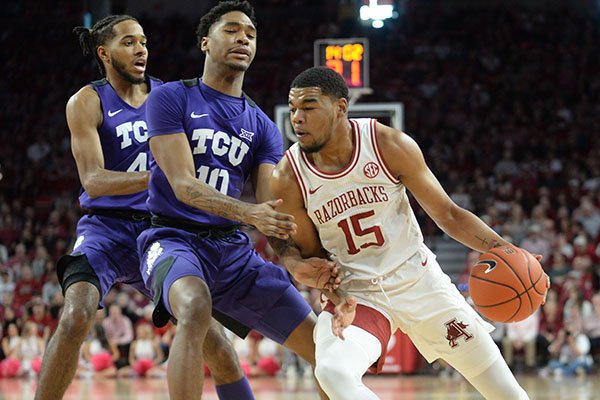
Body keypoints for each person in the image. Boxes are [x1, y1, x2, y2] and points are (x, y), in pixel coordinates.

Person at [270, 66, 551, 400]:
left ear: (340, 108)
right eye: (294, 108)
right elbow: (308, 253)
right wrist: (302, 269)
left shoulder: (388, 144)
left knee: (508, 393)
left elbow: (448, 214)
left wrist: (508, 251)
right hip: (360, 295)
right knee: (332, 372)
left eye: (309, 106)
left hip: (419, 282)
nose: (297, 118)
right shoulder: (288, 176)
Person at [35, 14, 255, 400]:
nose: (141, 50)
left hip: (161, 230)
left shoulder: (168, 95)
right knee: (76, 316)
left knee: (217, 345)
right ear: (104, 53)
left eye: (144, 42)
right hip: (105, 229)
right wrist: (162, 175)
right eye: (129, 42)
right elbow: (94, 181)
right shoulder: (87, 101)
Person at [137, 2, 337, 399]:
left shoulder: (263, 127)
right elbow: (183, 185)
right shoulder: (170, 98)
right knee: (194, 308)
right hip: (172, 239)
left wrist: (294, 260)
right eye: (231, 30)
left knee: (326, 351)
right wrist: (250, 214)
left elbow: (272, 210)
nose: (243, 38)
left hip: (232, 251)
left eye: (250, 33)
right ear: (205, 42)